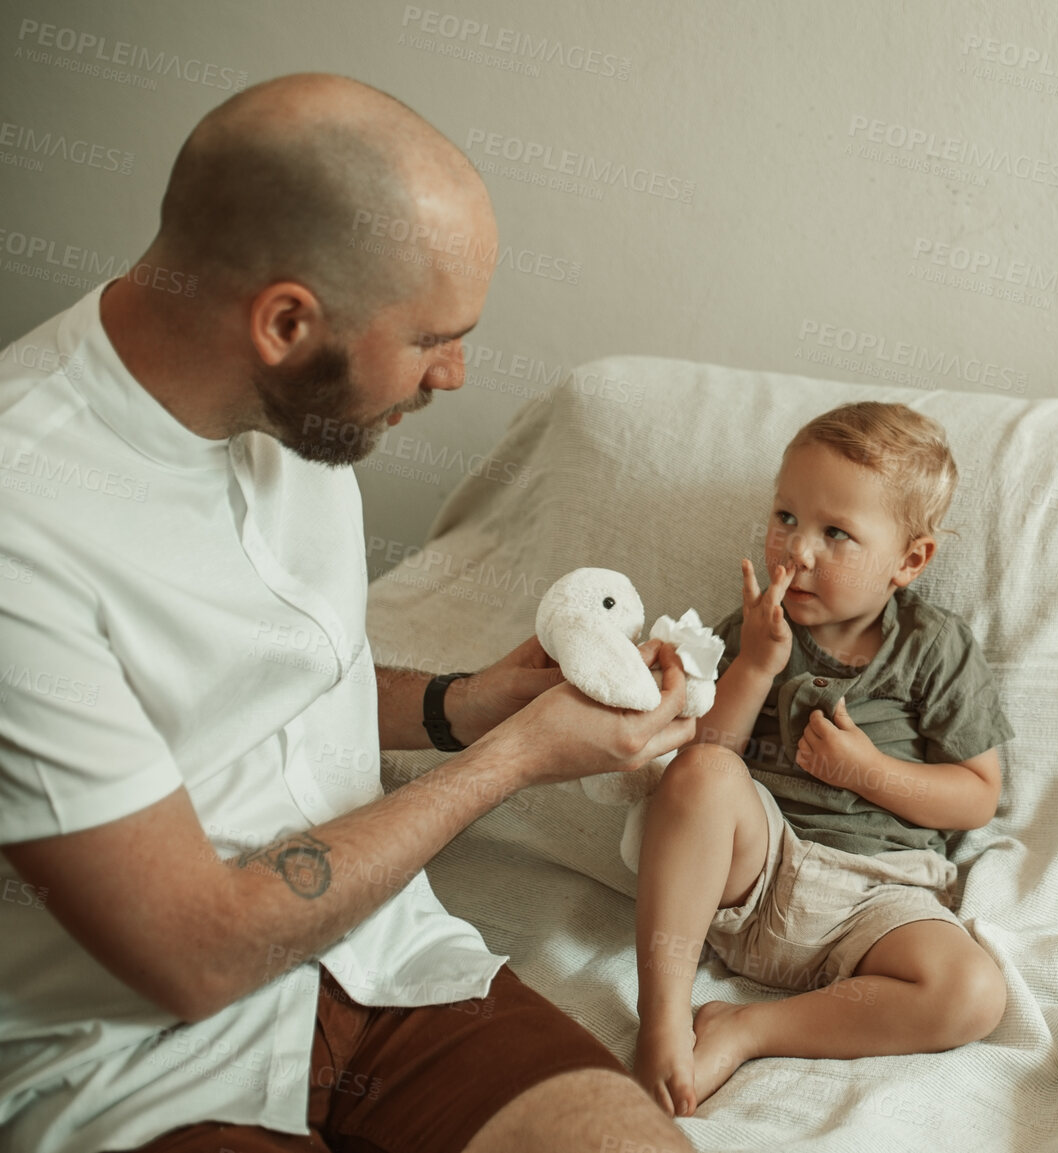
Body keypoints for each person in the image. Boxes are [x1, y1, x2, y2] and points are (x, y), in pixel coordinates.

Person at [0, 73, 697, 1153]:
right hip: (131, 1057)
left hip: (381, 958)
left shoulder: (298, 408)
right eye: (431, 340)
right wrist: (509, 760)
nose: (456, 373)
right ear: (286, 322)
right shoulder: (23, 528)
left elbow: (263, 685)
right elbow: (199, 953)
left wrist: (464, 708)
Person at [628, 401, 1016, 1116]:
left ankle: (747, 1027)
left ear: (910, 559)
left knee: (972, 991)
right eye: (784, 518)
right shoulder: (751, 628)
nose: (795, 551)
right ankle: (663, 1019)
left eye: (835, 533)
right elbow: (695, 772)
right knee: (706, 772)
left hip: (880, 900)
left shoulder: (932, 647)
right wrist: (752, 664)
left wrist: (867, 771)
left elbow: (978, 794)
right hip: (757, 870)